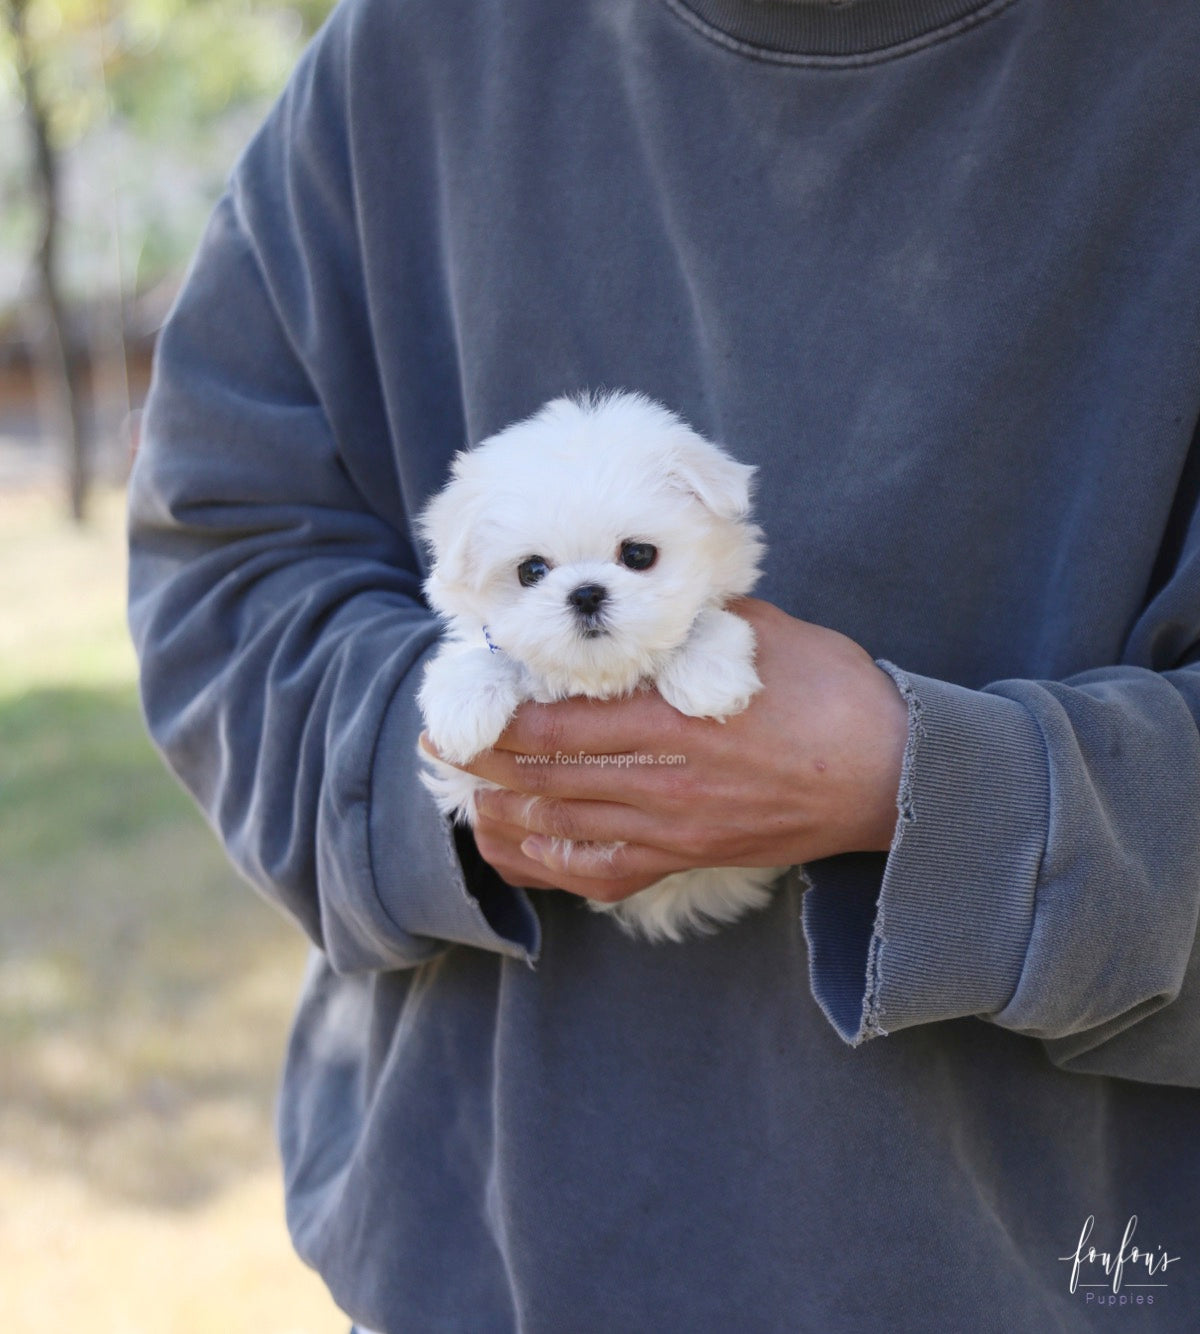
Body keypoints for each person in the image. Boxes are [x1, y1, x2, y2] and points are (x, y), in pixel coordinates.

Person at [127, 0, 1200, 1328]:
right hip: (483, 1267)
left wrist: (921, 783)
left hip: (1062, 1276)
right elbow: (226, 560)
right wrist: (465, 769)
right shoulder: (407, 57)